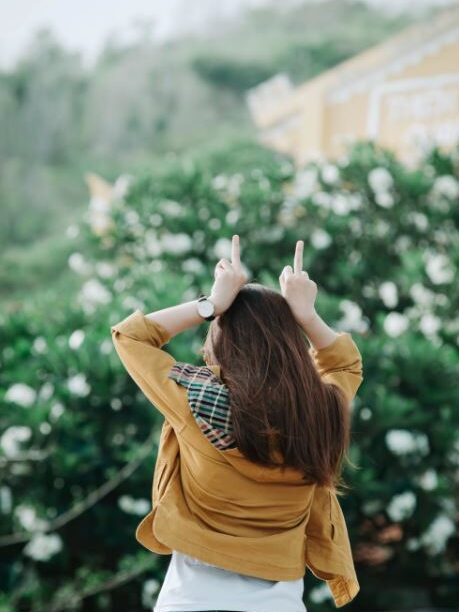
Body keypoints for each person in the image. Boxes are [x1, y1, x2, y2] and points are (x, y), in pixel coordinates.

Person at [111, 235, 364, 612]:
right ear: (290, 341)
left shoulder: (192, 399)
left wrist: (212, 303)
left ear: (221, 340)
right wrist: (307, 314)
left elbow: (131, 337)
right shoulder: (321, 413)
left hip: (189, 603)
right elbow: (344, 364)